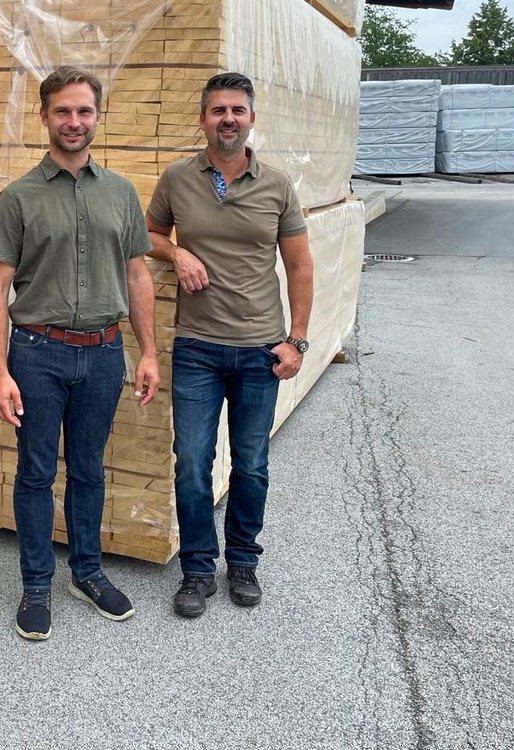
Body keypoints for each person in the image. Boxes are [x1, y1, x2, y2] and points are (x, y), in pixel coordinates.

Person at [0, 66, 160, 641]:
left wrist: (148, 352)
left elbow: (137, 275)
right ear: (44, 117)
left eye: (84, 111)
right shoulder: (18, 197)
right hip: (37, 354)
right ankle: (36, 584)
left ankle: (87, 573)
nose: (74, 121)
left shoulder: (121, 193)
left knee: (88, 468)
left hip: (104, 354)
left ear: (97, 117)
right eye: (63, 111)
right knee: (35, 472)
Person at [146, 72, 313, 618]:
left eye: (238, 110)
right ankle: (197, 569)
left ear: (251, 119)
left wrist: (297, 341)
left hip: (260, 349)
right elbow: (146, 234)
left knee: (252, 462)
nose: (228, 119)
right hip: (197, 346)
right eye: (218, 110)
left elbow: (299, 265)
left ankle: (242, 561)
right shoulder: (178, 178)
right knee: (192, 462)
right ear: (203, 119)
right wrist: (177, 253)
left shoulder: (277, 186)